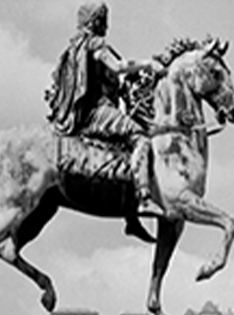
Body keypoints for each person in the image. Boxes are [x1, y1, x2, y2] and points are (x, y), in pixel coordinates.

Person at [45, 1, 163, 243]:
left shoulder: (73, 48)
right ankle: (143, 198)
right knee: (141, 139)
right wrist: (148, 64)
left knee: (123, 152)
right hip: (99, 113)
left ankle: (131, 220)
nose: (107, 25)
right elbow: (119, 67)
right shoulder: (95, 44)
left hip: (84, 115)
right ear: (96, 21)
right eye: (103, 19)